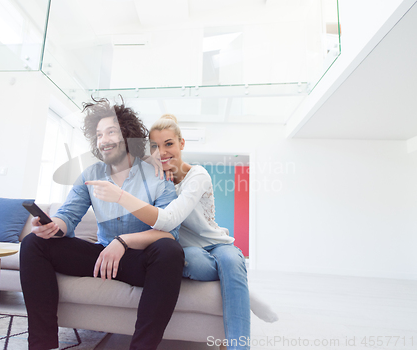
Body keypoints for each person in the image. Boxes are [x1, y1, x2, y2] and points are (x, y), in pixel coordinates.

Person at [88, 114, 276, 350]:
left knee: (230, 261)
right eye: (155, 146)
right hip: (189, 250)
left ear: (182, 144)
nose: (163, 152)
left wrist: (120, 196)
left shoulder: (197, 175)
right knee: (189, 261)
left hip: (217, 244)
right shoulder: (156, 180)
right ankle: (242, 290)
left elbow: (168, 220)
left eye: (169, 144)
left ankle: (239, 345)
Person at [19, 100, 184, 350]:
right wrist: (53, 226)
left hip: (139, 260)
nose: (103, 140)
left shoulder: (156, 175)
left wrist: (123, 242)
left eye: (111, 132)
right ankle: (41, 345)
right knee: (34, 242)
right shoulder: (90, 174)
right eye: (98, 135)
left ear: (127, 134)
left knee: (170, 252)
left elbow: (169, 232)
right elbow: (68, 215)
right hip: (103, 257)